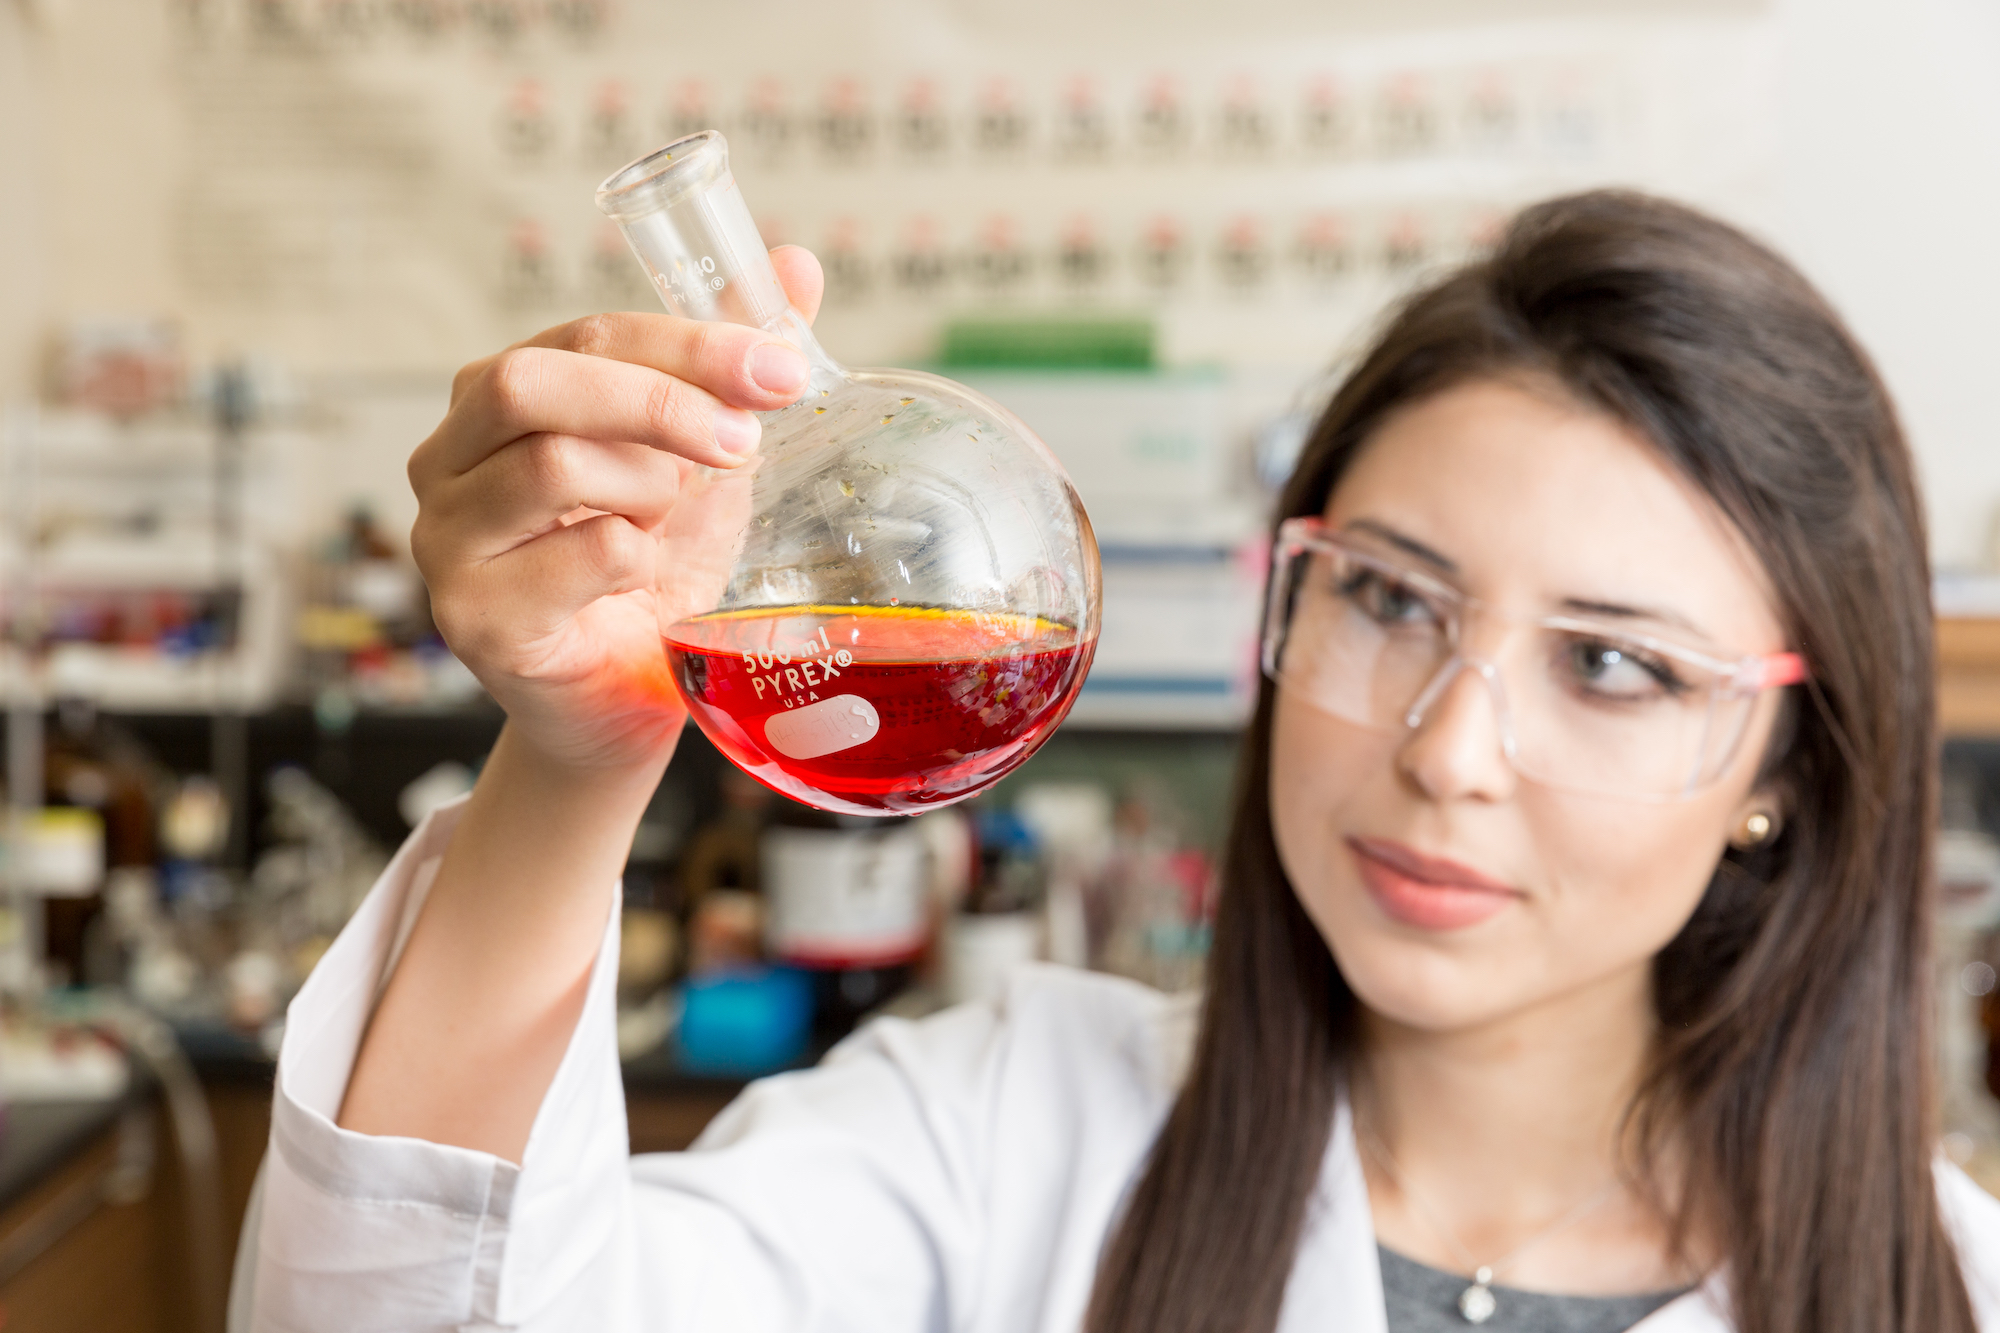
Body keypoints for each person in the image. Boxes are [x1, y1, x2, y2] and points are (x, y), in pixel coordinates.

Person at [230, 191, 2000, 1332]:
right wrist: (573, 758)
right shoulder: (1013, 1131)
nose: (1448, 749)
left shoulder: (1950, 1290)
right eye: (1387, 596)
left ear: (1791, 747)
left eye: (1613, 662)